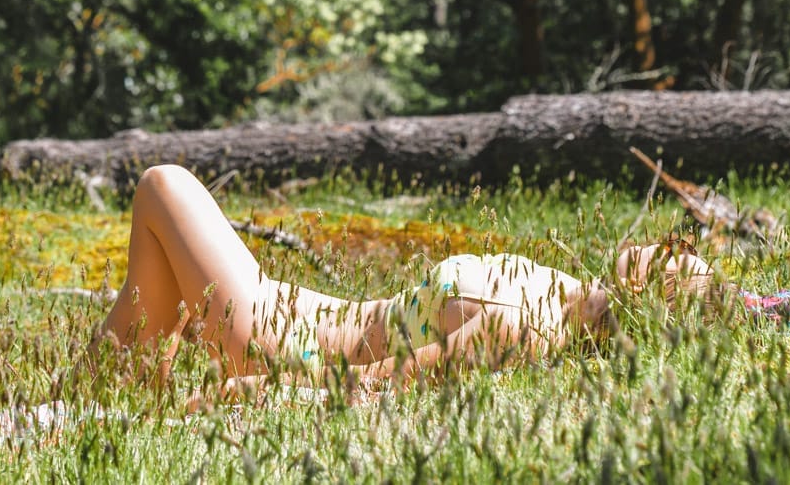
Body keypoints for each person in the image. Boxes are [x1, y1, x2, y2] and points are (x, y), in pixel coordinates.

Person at [92, 164, 717, 398]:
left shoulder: (523, 327)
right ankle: (112, 391)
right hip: (304, 308)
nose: (676, 247)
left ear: (651, 298)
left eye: (682, 264)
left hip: (283, 338)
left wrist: (250, 390)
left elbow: (375, 383)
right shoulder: (566, 291)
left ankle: (109, 390)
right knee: (156, 252)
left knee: (164, 185)